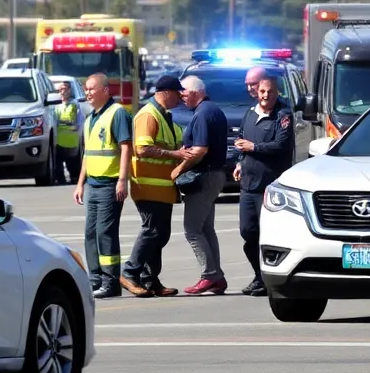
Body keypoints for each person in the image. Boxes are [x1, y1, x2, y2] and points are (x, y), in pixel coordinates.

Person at [120, 76, 187, 298]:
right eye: (178, 93)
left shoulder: (165, 116)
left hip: (162, 187)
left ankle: (150, 280)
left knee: (161, 234)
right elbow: (142, 149)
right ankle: (130, 272)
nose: (180, 98)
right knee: (152, 231)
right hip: (148, 185)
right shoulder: (148, 115)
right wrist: (175, 154)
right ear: (165, 92)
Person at [74, 73, 133, 299]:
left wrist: (122, 180)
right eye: (86, 89)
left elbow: (126, 148)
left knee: (105, 233)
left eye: (91, 89)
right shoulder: (91, 119)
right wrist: (80, 184)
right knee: (90, 233)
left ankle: (111, 281)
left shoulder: (117, 114)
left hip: (110, 184)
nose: (87, 93)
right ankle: (95, 278)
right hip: (93, 185)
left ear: (105, 90)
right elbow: (88, 155)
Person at [233, 77, 294, 296]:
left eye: (270, 92)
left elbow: (281, 145)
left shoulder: (283, 115)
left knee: (269, 236)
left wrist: (254, 147)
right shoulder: (250, 114)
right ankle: (259, 276)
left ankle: (271, 279)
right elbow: (241, 139)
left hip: (270, 187)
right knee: (247, 233)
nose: (266, 95)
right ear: (256, 92)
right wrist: (240, 161)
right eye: (262, 91)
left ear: (277, 93)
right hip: (248, 186)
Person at [173, 75, 229, 295]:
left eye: (183, 93)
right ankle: (217, 277)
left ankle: (209, 275)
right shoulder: (210, 110)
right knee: (206, 228)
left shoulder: (204, 113)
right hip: (213, 176)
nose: (181, 98)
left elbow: (199, 150)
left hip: (204, 177)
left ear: (195, 92)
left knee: (192, 229)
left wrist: (178, 169)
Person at [53, 80, 81, 185]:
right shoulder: (57, 106)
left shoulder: (74, 104)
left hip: (71, 139)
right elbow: (54, 122)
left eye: (64, 89)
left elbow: (80, 120)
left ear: (69, 90)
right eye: (60, 90)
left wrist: (77, 131)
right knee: (58, 161)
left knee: (72, 162)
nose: (62, 92)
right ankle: (61, 179)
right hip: (59, 139)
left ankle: (74, 178)